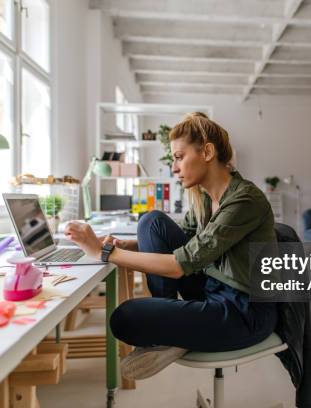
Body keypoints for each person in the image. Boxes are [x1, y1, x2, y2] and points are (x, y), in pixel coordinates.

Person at [64, 112, 278, 380]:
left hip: (245, 311)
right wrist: (125, 245)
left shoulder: (245, 200)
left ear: (208, 152)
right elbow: (185, 241)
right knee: (151, 222)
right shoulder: (203, 196)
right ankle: (174, 332)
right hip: (210, 288)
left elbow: (180, 264)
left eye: (179, 157)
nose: (174, 167)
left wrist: (104, 253)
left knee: (125, 318)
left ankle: (175, 331)